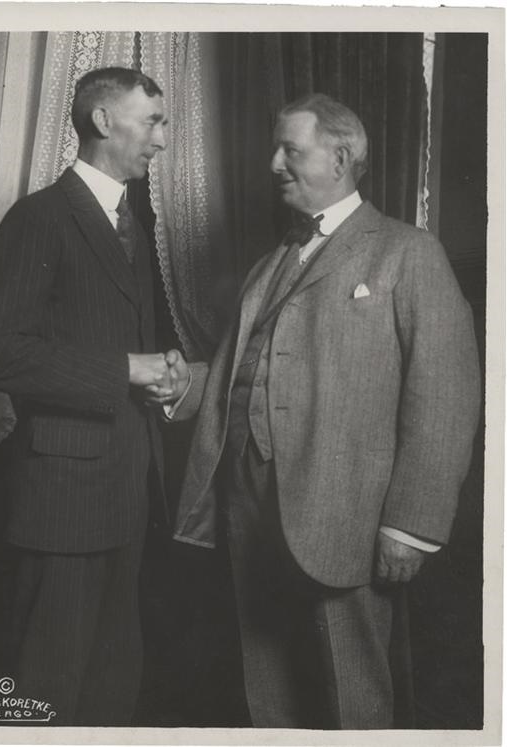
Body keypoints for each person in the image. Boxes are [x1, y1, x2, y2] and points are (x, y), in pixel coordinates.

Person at [151, 94, 481, 729]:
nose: (274, 163)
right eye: (275, 149)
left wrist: (410, 526)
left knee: (351, 697)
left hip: (345, 519)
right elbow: (236, 374)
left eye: (290, 150)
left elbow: (444, 399)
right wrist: (171, 384)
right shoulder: (271, 261)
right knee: (268, 689)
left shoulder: (408, 252)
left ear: (342, 156)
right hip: (250, 506)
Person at [0, 67, 172, 726]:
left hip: (126, 485)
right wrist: (125, 369)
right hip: (62, 495)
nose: (162, 140)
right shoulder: (41, 217)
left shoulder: (129, 220)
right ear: (105, 121)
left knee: (114, 677)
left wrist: (159, 375)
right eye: (153, 121)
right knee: (51, 683)